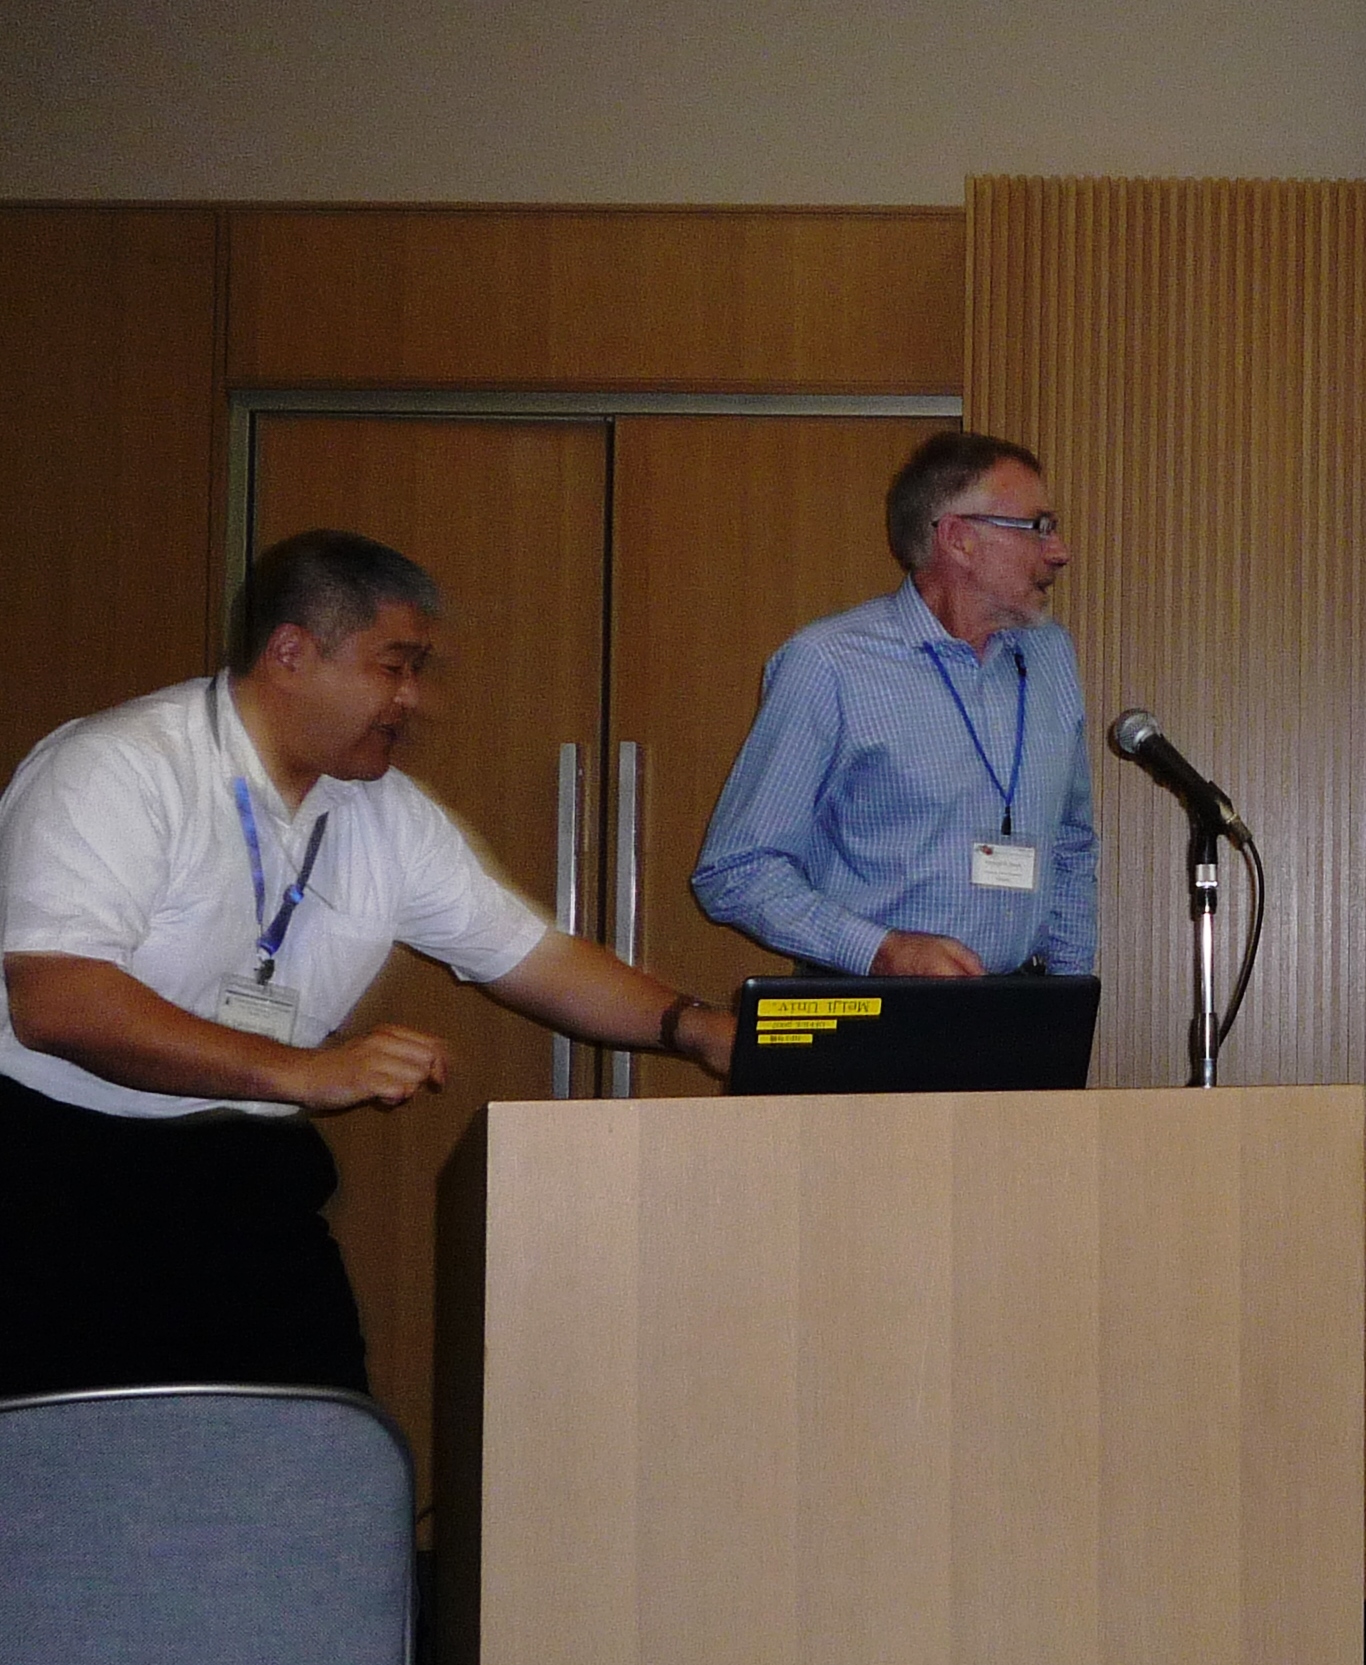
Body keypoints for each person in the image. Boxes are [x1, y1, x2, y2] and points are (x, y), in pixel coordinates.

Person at [0, 528, 735, 1400]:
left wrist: (695, 1028)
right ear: (291, 653)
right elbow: (60, 1001)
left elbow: (533, 957)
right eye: (394, 667)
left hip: (249, 1172)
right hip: (56, 1174)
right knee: (73, 1466)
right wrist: (306, 1070)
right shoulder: (116, 767)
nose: (413, 699)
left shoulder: (384, 810)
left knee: (319, 1443)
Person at [692, 430, 1098, 977]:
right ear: (958, 539)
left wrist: (1068, 993)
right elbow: (736, 870)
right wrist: (882, 950)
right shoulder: (830, 663)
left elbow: (1070, 844)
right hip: (869, 1003)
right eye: (1038, 527)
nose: (1059, 551)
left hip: (1017, 1006)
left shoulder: (1049, 657)